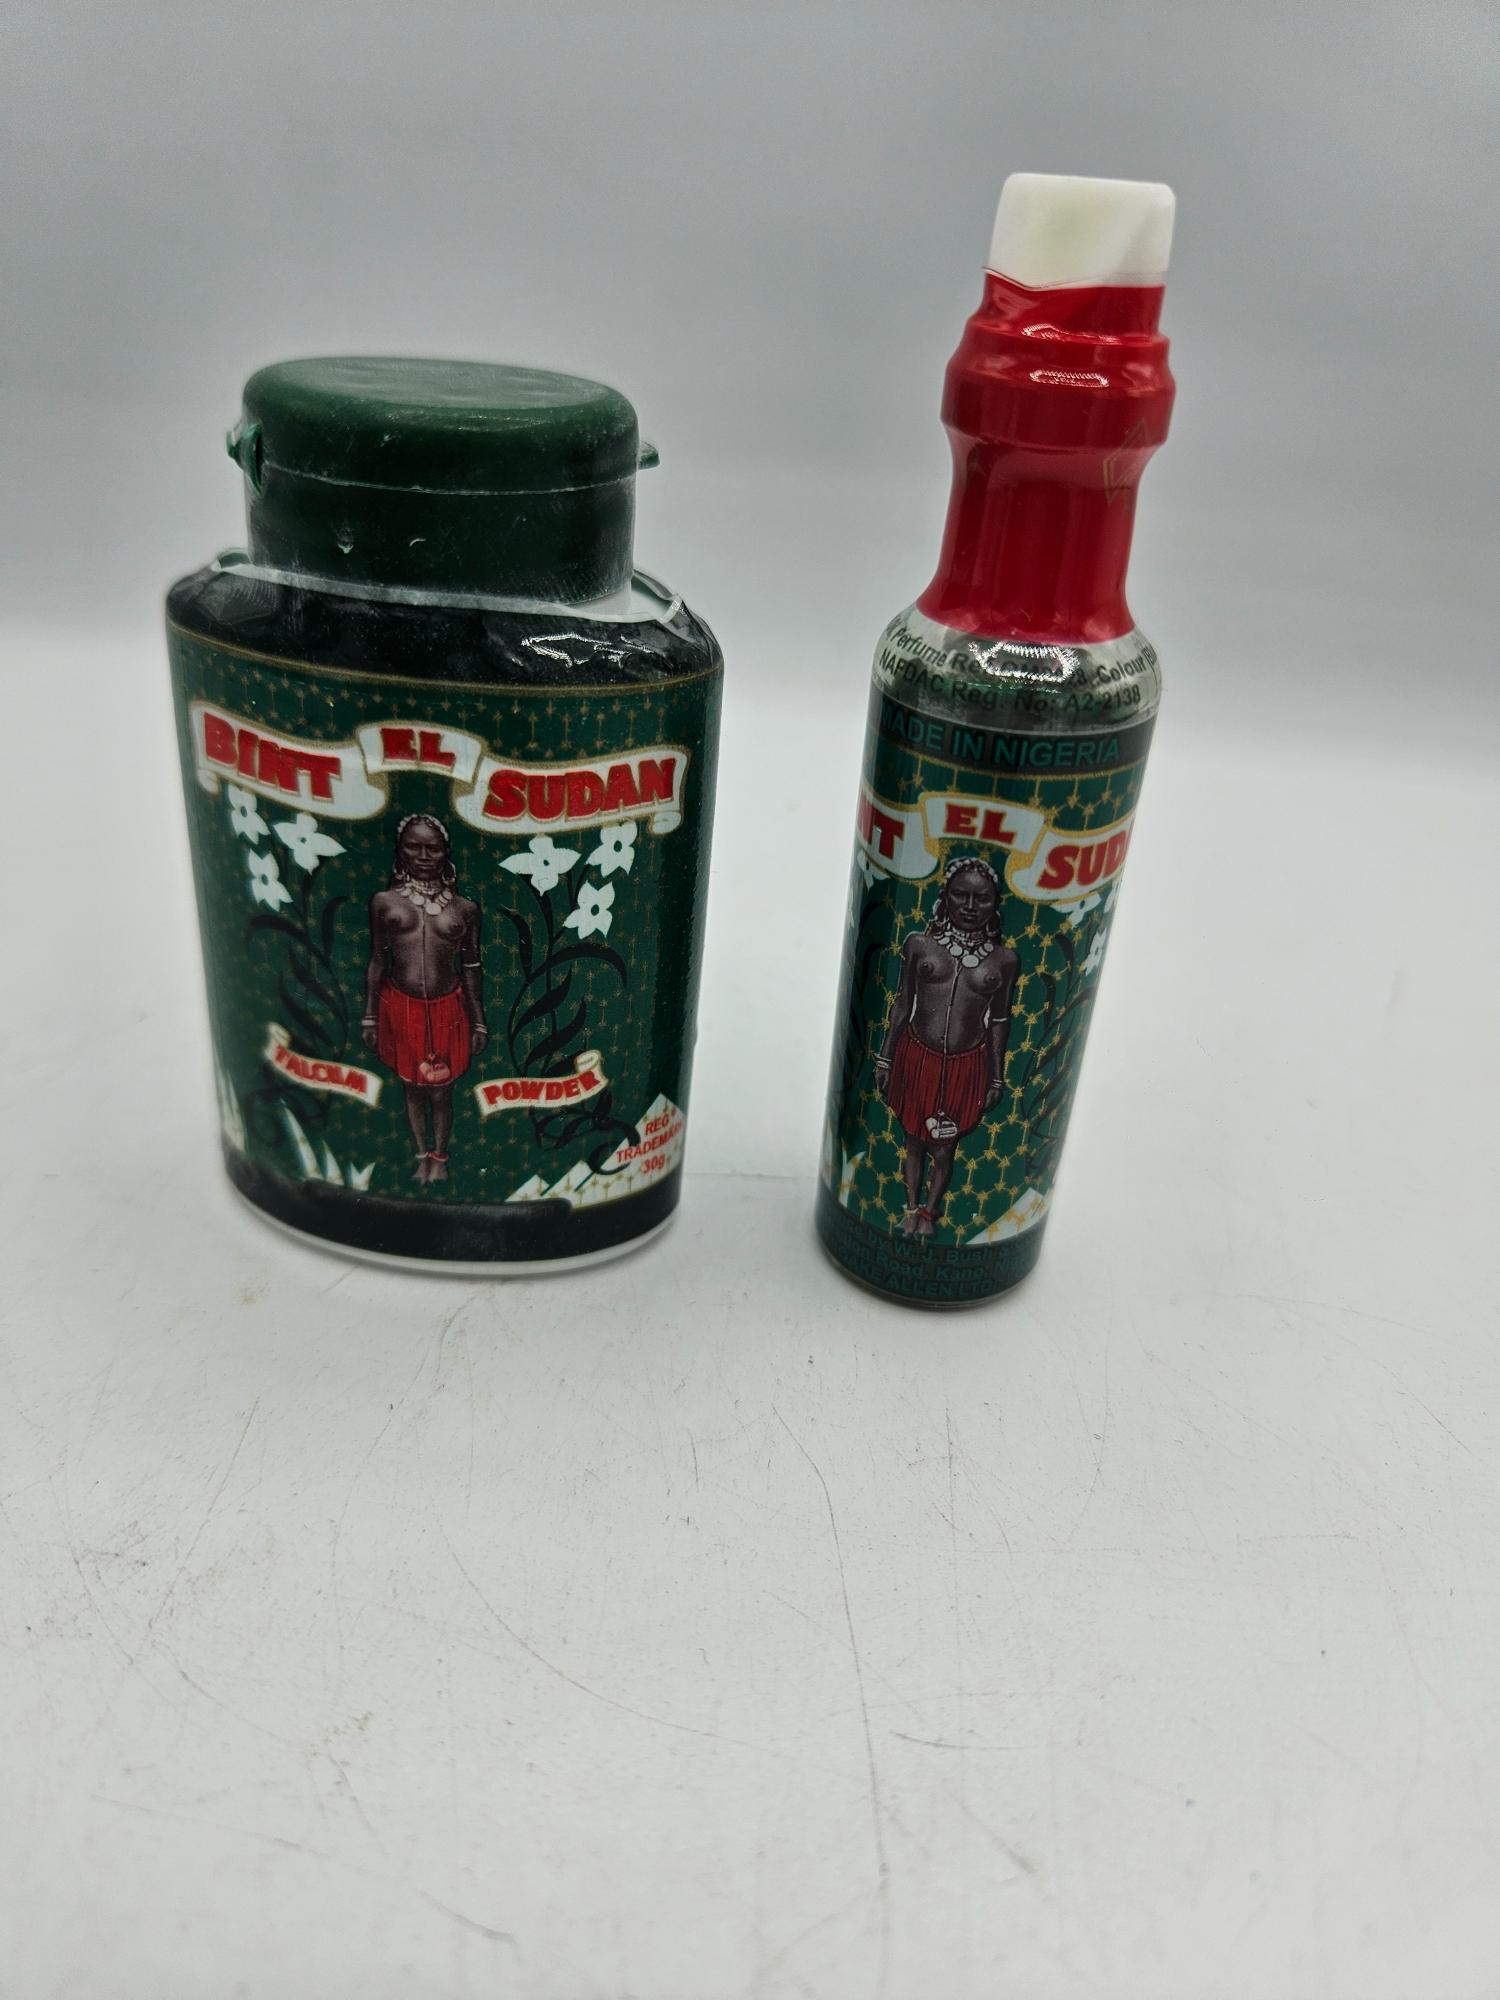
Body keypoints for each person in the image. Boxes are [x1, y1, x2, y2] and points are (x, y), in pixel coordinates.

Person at [876, 857, 1019, 1237]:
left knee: (944, 1147)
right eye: (960, 895)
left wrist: (996, 1078)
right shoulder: (919, 945)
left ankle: (930, 1212)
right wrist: (885, 1058)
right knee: (913, 1139)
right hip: (916, 1056)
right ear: (946, 897)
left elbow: (1000, 1021)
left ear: (994, 904)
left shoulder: (1004, 960)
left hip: (966, 1065)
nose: (970, 906)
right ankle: (910, 1207)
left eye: (982, 898)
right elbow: (902, 1004)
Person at [362, 814, 487, 1182]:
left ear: (446, 851)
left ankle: (440, 1158)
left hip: (449, 1007)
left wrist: (479, 1021)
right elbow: (377, 960)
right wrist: (370, 1015)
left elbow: (472, 966)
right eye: (413, 847)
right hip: (401, 1005)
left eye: (432, 848)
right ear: (400, 851)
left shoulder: (464, 909)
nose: (423, 856)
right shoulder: (384, 901)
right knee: (412, 1088)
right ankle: (421, 1157)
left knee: (442, 1091)